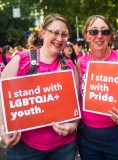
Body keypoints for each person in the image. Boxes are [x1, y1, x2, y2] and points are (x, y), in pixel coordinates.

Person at [0, 13, 80, 160]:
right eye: (55, 33)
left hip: (63, 146)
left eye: (64, 34)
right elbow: (2, 95)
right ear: (43, 33)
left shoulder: (69, 66)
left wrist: (73, 125)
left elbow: (76, 101)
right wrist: (2, 128)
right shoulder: (21, 60)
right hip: (24, 146)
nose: (59, 38)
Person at [77, 15, 118, 160]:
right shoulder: (80, 63)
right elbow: (77, 97)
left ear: (110, 36)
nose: (99, 36)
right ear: (86, 36)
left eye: (104, 32)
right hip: (87, 136)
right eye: (93, 32)